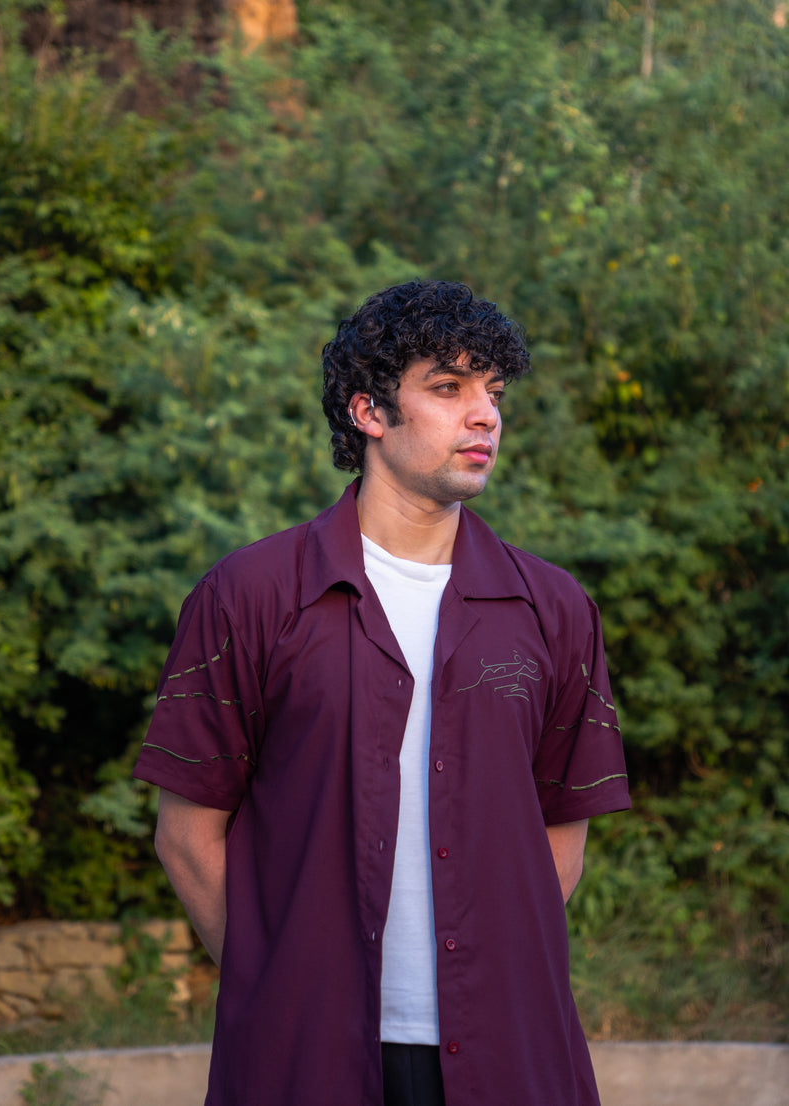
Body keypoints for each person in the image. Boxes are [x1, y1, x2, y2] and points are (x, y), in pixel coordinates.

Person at [133, 279, 630, 1106]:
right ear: (368, 411)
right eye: (448, 389)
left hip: (510, 1051)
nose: (485, 417)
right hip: (306, 1056)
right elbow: (187, 838)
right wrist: (280, 983)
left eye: (493, 393)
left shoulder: (553, 609)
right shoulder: (250, 594)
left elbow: (560, 841)